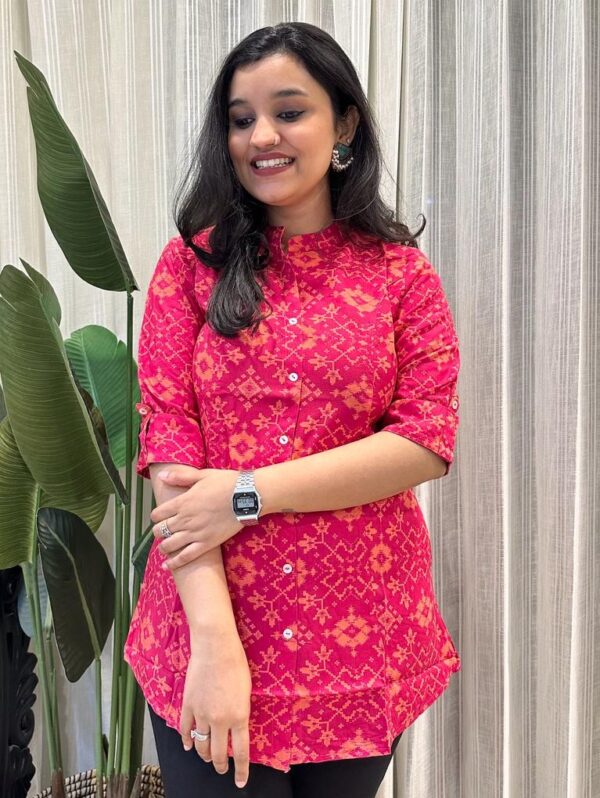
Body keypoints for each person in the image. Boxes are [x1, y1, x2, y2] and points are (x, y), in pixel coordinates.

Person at [124, 20, 461, 798]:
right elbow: (170, 446)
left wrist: (246, 494)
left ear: (343, 125)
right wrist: (214, 645)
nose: (262, 137)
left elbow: (424, 441)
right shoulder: (189, 268)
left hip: (359, 638)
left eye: (289, 111)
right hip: (208, 622)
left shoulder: (401, 276)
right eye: (241, 119)